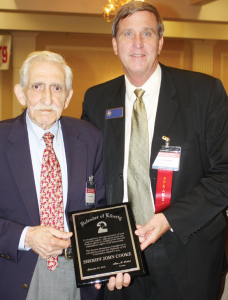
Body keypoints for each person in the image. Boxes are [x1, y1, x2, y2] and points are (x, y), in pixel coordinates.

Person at [82, 2, 228, 300]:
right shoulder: (96, 101)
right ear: (114, 44)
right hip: (120, 257)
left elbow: (224, 174)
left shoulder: (204, 93)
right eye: (127, 34)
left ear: (160, 42)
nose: (137, 44)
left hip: (188, 250)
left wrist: (168, 219)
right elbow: (89, 178)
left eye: (147, 33)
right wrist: (100, 250)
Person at [0, 51, 129, 300]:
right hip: (20, 272)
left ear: (68, 96)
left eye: (57, 88)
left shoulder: (91, 138)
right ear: (21, 93)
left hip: (80, 273)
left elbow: (103, 207)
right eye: (37, 86)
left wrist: (113, 260)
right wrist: (26, 236)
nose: (47, 98)